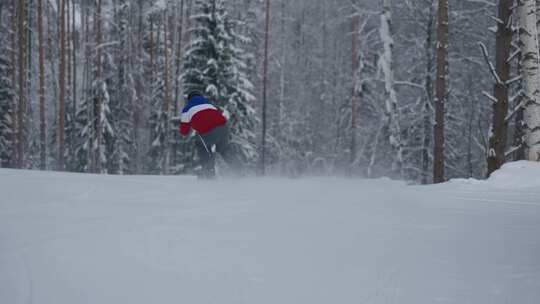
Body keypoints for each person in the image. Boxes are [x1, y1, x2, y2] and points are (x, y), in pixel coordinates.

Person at [179, 90, 239, 178]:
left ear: (189, 99)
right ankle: (240, 171)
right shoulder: (209, 103)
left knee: (201, 145)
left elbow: (184, 131)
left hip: (206, 131)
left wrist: (191, 126)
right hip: (223, 128)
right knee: (224, 150)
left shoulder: (187, 108)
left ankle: (209, 173)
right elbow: (219, 113)